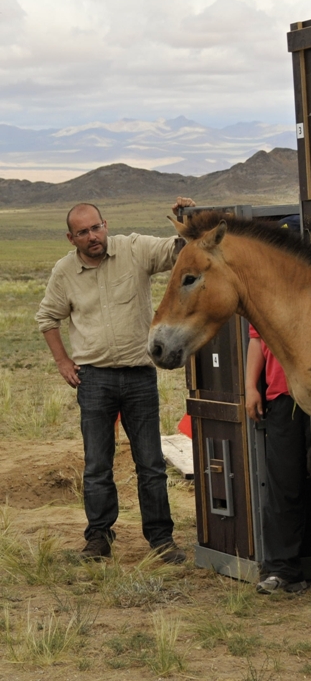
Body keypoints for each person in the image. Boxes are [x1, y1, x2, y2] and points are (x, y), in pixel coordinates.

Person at [35, 198, 194, 562]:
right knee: (97, 465)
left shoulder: (134, 249)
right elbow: (47, 319)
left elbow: (178, 253)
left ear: (105, 224)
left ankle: (161, 541)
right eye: (83, 232)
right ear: (70, 238)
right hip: (94, 380)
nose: (93, 236)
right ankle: (98, 540)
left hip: (139, 376)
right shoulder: (64, 272)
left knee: (151, 464)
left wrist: (186, 218)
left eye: (96, 227)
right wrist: (62, 361)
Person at [245, 219, 311, 595]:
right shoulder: (262, 289)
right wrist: (251, 387)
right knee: (283, 484)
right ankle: (282, 570)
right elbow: (256, 339)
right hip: (281, 396)